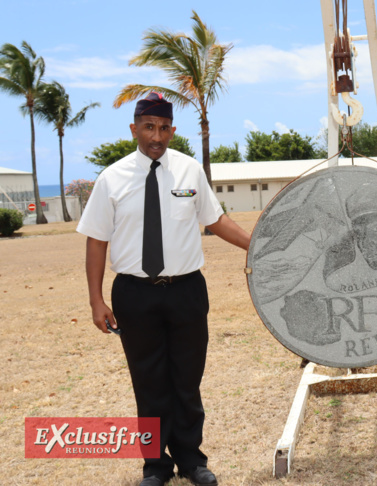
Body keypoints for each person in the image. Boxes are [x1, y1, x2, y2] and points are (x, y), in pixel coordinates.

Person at [78, 92, 251, 486]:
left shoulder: (190, 171)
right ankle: (156, 466)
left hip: (187, 290)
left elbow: (216, 220)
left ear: (172, 130)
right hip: (135, 295)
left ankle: (192, 460)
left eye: (163, 127)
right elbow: (96, 241)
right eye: (149, 127)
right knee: (149, 383)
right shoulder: (112, 178)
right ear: (134, 129)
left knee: (187, 381)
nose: (156, 135)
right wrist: (96, 300)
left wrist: (256, 244)